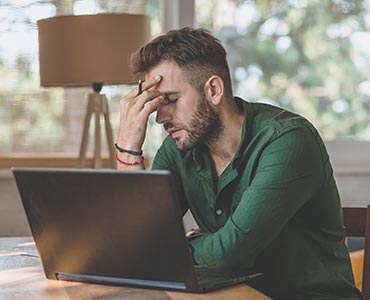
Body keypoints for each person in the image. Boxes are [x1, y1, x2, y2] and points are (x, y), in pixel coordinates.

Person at [115, 27, 362, 299]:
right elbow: (136, 241)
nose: (160, 117)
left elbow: (230, 252)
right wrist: (128, 147)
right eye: (154, 104)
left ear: (214, 90)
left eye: (171, 100)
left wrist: (179, 243)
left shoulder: (288, 141)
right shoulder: (179, 148)